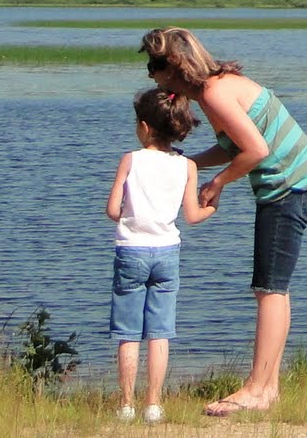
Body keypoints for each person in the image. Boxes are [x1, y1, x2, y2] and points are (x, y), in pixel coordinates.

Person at [139, 26, 307, 417]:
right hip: (298, 182)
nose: (151, 75)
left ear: (174, 66)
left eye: (154, 66)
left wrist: (218, 183)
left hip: (290, 186)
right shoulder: (217, 86)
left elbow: (255, 150)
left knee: (269, 288)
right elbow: (232, 144)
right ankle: (268, 387)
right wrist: (188, 162)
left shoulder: (214, 93)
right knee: (274, 288)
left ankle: (255, 389)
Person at [105, 87, 216, 424]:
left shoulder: (131, 159)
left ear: (145, 127)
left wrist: (129, 210)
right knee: (160, 331)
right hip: (167, 251)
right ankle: (154, 403)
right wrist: (213, 205)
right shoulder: (186, 165)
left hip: (131, 250)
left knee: (127, 331)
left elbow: (112, 210)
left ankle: (126, 404)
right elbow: (193, 216)